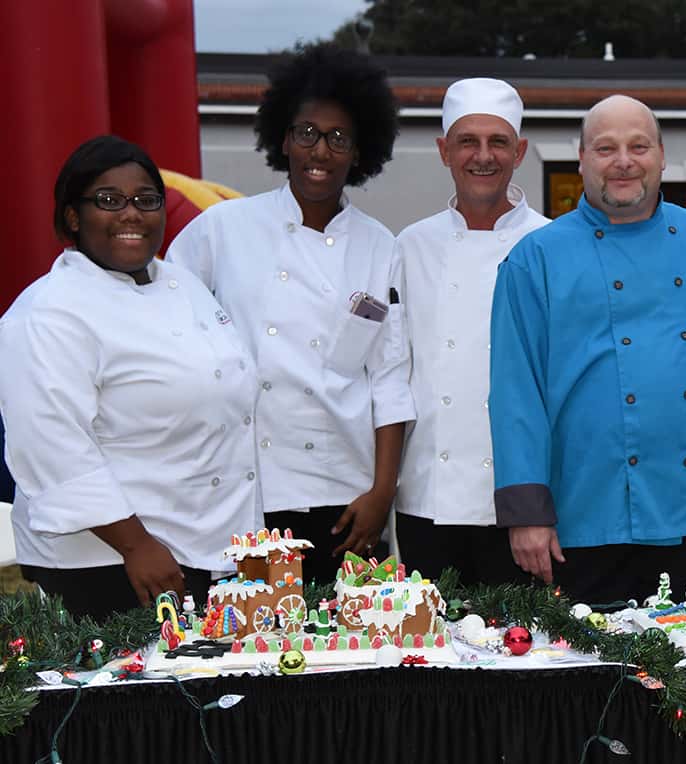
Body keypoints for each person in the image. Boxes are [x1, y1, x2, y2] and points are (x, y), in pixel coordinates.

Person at [168, 44, 415, 583]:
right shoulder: (223, 229)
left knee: (355, 649)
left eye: (337, 138)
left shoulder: (381, 246)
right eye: (306, 133)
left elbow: (391, 380)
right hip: (249, 487)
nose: (319, 151)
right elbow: (172, 334)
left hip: (348, 495)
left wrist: (382, 492)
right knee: (254, 649)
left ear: (359, 152)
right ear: (282, 139)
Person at [489, 95, 686, 603]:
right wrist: (527, 514)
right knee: (584, 672)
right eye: (605, 148)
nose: (623, 161)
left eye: (638, 146)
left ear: (662, 155)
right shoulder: (535, 258)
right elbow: (516, 392)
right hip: (582, 514)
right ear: (581, 159)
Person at [0, 136, 259, 620]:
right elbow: (53, 448)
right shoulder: (48, 311)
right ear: (73, 217)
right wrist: (136, 545)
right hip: (110, 560)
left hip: (205, 545)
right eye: (109, 201)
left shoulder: (182, 284)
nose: (131, 214)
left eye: (146, 200)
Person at [394, 78, 549, 586]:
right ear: (443, 151)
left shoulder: (551, 244)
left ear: (520, 151)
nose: (483, 157)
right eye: (467, 141)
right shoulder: (409, 246)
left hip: (526, 507)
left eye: (498, 142)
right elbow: (392, 369)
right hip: (427, 496)